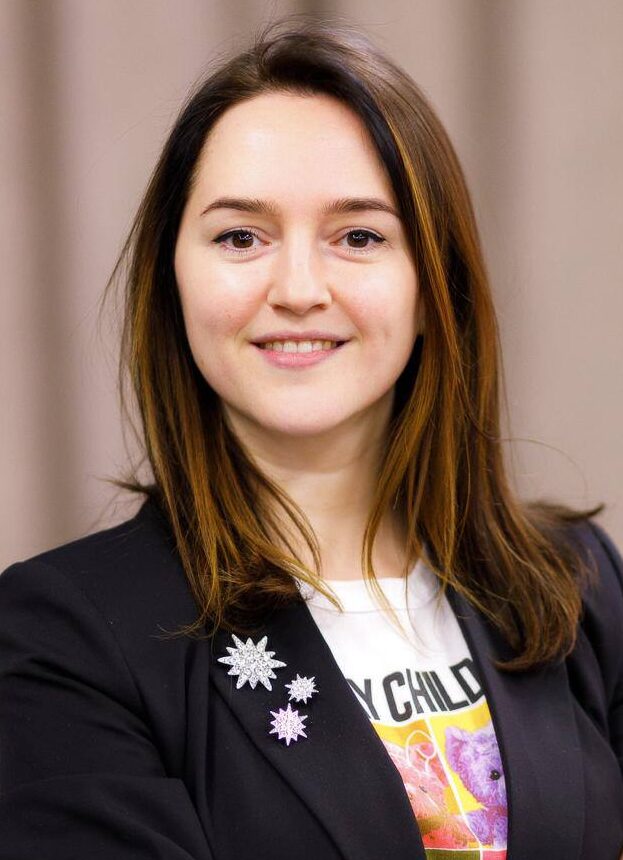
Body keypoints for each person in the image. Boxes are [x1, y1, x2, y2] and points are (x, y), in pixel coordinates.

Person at [0, 16, 621, 860]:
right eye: (240, 237)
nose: (297, 288)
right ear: (172, 279)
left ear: (433, 284)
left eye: (358, 236)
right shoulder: (68, 633)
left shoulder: (573, 585)